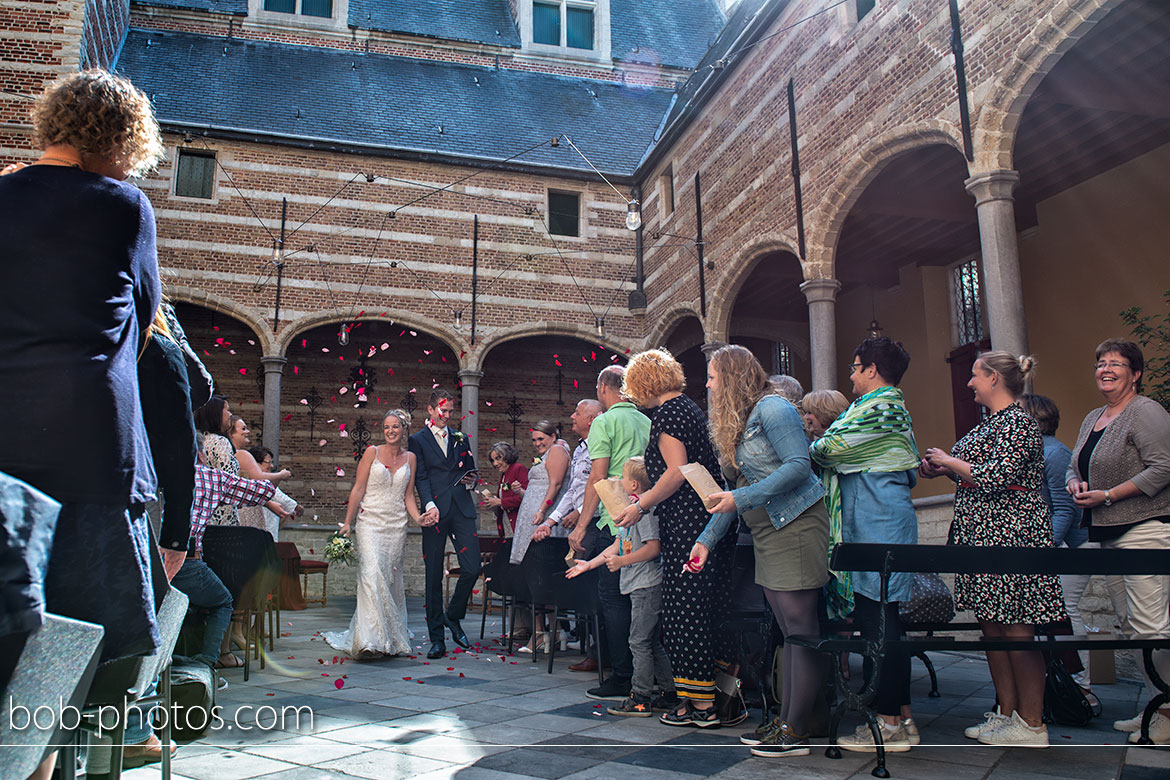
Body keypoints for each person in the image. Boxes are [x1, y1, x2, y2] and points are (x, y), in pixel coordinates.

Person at [0, 69, 166, 780]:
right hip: (89, 430)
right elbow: (149, 316)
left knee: (15, 597)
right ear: (124, 138)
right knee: (77, 617)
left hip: (6, 422)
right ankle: (43, 766)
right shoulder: (125, 205)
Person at [921, 351, 1066, 748]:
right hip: (983, 534)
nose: (969, 383)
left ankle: (1032, 722)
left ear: (994, 380)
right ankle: (1006, 713)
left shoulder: (1019, 422)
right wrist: (943, 467)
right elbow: (971, 470)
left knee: (1017, 628)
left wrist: (951, 461)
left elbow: (996, 476)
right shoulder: (991, 423)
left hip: (1011, 534)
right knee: (992, 627)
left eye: (974, 376)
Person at [689, 345, 829, 754]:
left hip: (797, 524)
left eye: (713, 377)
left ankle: (796, 729)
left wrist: (742, 498)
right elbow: (733, 494)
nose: (709, 385)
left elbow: (798, 466)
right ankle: (790, 721)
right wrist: (705, 541)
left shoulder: (773, 408)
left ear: (732, 377)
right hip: (768, 529)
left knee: (801, 632)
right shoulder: (741, 420)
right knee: (789, 632)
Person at [811, 338, 922, 752]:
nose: (852, 375)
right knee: (881, 619)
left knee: (881, 623)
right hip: (871, 521)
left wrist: (819, 446)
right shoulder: (874, 408)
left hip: (880, 524)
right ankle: (902, 716)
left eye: (856, 367)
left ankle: (888, 722)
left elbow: (829, 447)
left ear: (873, 369)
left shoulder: (882, 407)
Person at [613, 349, 731, 727]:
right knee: (699, 609)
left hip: (688, 521)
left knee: (686, 611)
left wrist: (640, 505)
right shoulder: (690, 408)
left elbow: (676, 472)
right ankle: (702, 699)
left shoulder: (667, 413)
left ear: (642, 381)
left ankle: (701, 705)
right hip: (706, 518)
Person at [1065, 339, 1170, 744]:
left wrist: (1109, 496)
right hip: (1107, 533)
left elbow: (1164, 467)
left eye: (1116, 364)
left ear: (1135, 372)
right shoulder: (1095, 416)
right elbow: (1075, 466)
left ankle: (1167, 712)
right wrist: (1075, 483)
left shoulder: (1145, 411)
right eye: (1100, 363)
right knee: (1130, 626)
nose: (1105, 369)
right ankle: (1154, 707)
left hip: (1144, 528)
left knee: (1151, 627)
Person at [568, 457, 674, 716]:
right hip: (636, 584)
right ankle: (669, 693)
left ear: (634, 485)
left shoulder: (645, 512)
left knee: (638, 642)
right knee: (648, 642)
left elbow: (653, 548)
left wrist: (623, 561)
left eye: (623, 477)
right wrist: (589, 565)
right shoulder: (629, 510)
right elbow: (617, 544)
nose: (618, 481)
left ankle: (641, 698)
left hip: (647, 585)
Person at [570, 365, 650, 702]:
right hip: (645, 513)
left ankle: (622, 675)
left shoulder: (604, 421)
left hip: (612, 519)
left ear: (604, 387)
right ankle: (645, 673)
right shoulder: (647, 421)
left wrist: (582, 524)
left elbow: (597, 478)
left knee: (612, 599)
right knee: (641, 598)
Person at [325, 409, 421, 659]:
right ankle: (369, 641)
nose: (390, 431)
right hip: (369, 522)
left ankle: (387, 635)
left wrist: (419, 518)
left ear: (404, 429)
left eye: (396, 427)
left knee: (388, 580)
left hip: (397, 526)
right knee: (370, 574)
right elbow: (358, 489)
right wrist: (347, 522)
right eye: (387, 426)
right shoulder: (372, 452)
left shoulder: (411, 458)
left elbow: (408, 495)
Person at [1019, 393, 1097, 696]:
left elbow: (1065, 510)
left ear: (1035, 418)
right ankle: (1062, 682)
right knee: (1056, 612)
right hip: (1058, 547)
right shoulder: (1034, 452)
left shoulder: (1054, 453)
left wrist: (1043, 550)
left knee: (1065, 608)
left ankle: (1082, 687)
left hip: (1079, 546)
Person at [408, 388, 481, 659]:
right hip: (434, 511)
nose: (447, 416)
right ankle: (436, 638)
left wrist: (471, 480)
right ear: (430, 409)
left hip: (462, 509)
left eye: (451, 411)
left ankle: (453, 616)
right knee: (433, 576)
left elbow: (470, 470)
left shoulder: (460, 437)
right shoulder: (418, 440)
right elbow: (421, 477)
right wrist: (428, 505)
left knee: (473, 567)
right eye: (443, 410)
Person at [547, 399, 604, 672]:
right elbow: (573, 489)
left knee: (589, 586)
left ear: (592, 419)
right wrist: (551, 519)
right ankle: (588, 645)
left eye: (578, 413)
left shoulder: (599, 446)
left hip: (593, 523)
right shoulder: (581, 448)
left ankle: (596, 653)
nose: (572, 416)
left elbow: (601, 483)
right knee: (579, 584)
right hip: (580, 521)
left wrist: (581, 513)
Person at [509, 420, 572, 654]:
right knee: (537, 578)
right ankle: (553, 633)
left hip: (544, 525)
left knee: (539, 577)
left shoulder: (557, 450)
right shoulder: (553, 450)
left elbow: (555, 485)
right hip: (536, 521)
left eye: (541, 439)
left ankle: (542, 635)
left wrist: (542, 511)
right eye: (534, 440)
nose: (537, 444)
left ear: (553, 435)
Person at [193, 396, 241, 526]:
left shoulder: (196, 440)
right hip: (220, 517)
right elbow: (229, 481)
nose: (231, 414)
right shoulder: (220, 442)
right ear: (216, 414)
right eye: (227, 410)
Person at [242, 445, 302, 541]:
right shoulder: (253, 480)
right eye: (268, 462)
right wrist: (296, 507)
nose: (271, 466)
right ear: (256, 464)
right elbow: (274, 493)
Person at [482, 441, 529, 539]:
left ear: (507, 455)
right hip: (507, 528)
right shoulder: (504, 474)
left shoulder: (518, 469)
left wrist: (500, 502)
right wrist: (493, 502)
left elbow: (527, 497)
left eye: (498, 458)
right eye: (493, 460)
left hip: (519, 526)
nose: (495, 463)